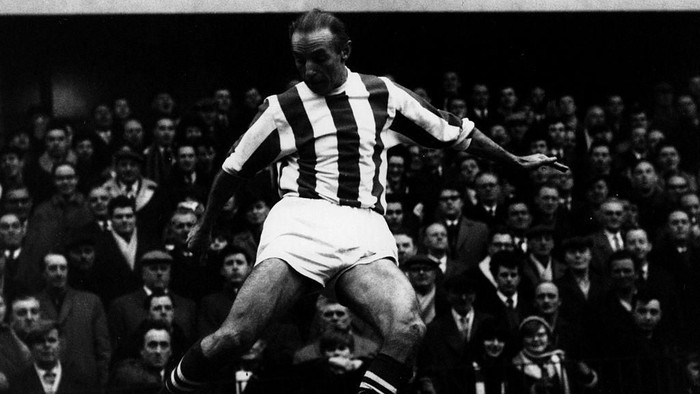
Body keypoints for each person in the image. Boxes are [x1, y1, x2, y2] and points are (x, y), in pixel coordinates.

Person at [163, 9, 566, 394]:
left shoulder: (382, 95)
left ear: (345, 51)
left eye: (319, 58)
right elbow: (233, 170)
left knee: (408, 328)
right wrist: (206, 225)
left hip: (363, 226)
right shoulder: (281, 108)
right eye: (300, 60)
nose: (309, 70)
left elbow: (455, 131)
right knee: (234, 337)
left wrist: (513, 161)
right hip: (300, 223)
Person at [35, 253, 111, 390]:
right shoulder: (34, 305)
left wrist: (102, 383)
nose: (59, 273)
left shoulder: (90, 302)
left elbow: (103, 349)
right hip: (46, 383)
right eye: (52, 268)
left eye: (63, 268)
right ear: (43, 273)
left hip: (85, 381)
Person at [9, 319, 91, 394]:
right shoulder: (18, 383)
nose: (47, 345)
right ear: (31, 346)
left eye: (52, 340)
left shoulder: (79, 379)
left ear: (60, 344)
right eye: (40, 341)